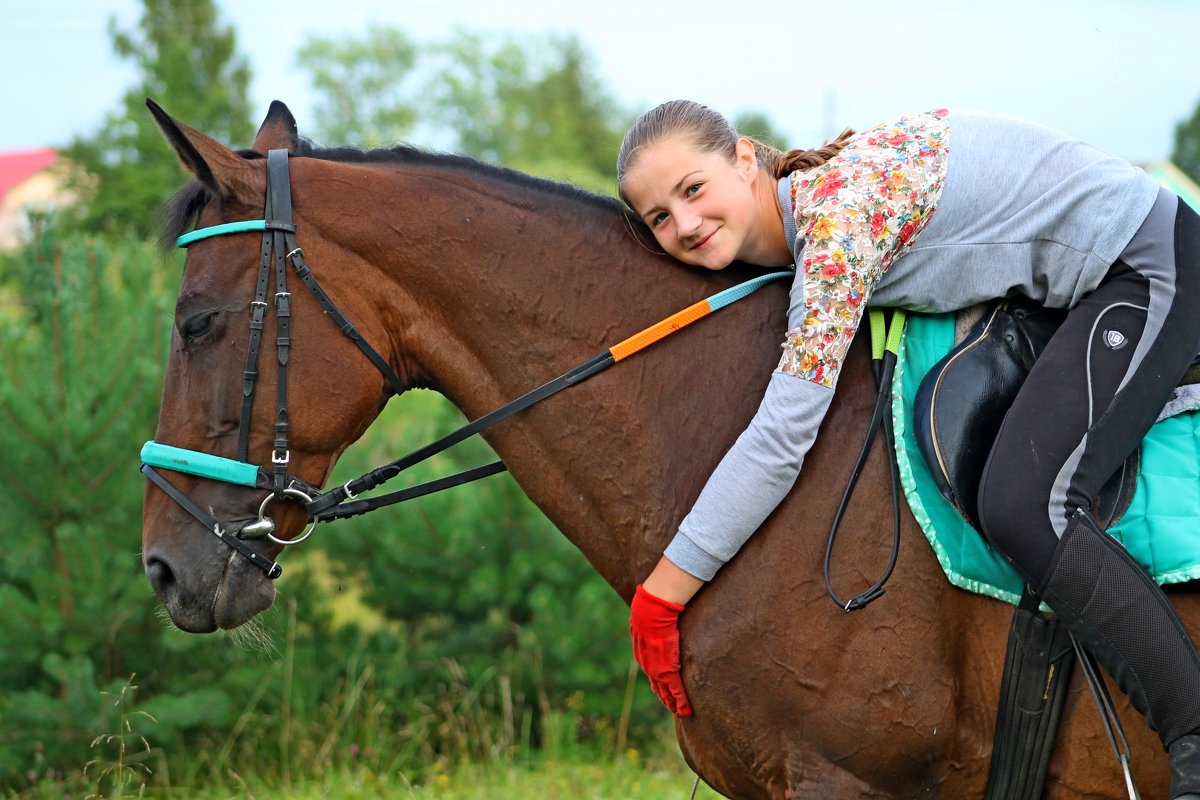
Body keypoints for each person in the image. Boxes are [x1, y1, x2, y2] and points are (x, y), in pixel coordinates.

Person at [616, 99, 1200, 799]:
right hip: (1091, 275)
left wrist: (663, 594)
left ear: (744, 161)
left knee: (1024, 503)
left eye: (692, 190)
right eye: (658, 217)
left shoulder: (835, 227)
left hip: (1151, 264)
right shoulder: (811, 212)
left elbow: (782, 440)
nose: (683, 224)